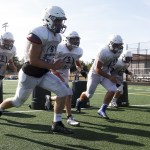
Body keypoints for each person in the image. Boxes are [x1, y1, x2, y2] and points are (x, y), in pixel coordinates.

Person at [0, 6, 73, 134]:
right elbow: (34, 60)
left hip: (43, 72)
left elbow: (48, 55)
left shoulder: (57, 37)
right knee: (17, 102)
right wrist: (53, 66)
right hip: (30, 73)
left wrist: (53, 64)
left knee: (64, 91)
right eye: (57, 20)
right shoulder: (39, 33)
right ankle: (0, 107)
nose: (60, 24)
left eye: (61, 21)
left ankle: (57, 123)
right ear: (48, 19)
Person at [76, 34, 123, 119]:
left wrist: (111, 74)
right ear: (110, 44)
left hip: (106, 73)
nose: (117, 47)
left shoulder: (120, 51)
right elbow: (97, 69)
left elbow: (111, 64)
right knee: (89, 95)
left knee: (113, 89)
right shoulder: (104, 51)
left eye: (119, 45)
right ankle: (79, 101)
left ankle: (102, 110)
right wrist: (110, 77)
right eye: (116, 45)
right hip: (95, 74)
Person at [45, 31, 87, 126]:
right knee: (67, 93)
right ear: (67, 39)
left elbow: (76, 62)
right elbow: (49, 61)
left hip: (65, 72)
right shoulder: (59, 48)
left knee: (64, 94)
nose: (75, 41)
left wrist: (81, 70)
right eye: (73, 39)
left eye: (77, 39)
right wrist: (56, 73)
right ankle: (69, 117)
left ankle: (50, 98)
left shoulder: (78, 51)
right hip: (54, 71)